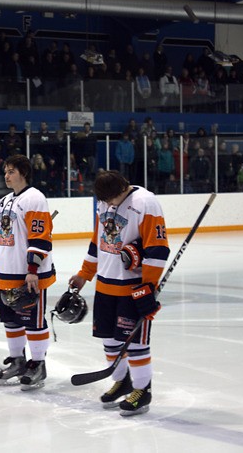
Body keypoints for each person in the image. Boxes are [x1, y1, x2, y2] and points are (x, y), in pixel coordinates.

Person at [69, 170, 170, 416]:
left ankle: (142, 390)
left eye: (110, 200)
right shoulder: (104, 203)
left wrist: (148, 286)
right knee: (110, 340)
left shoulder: (146, 203)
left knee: (134, 343)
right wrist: (85, 273)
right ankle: (122, 381)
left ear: (121, 190)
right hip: (105, 285)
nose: (107, 205)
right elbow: (98, 241)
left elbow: (158, 249)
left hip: (132, 289)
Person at [0, 154, 55, 390]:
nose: (6, 175)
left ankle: (38, 364)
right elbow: (2, 240)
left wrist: (32, 269)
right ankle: (18, 361)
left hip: (29, 275)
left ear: (23, 173)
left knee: (33, 321)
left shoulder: (35, 199)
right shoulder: (3, 202)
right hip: (7, 273)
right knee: (11, 321)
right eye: (5, 171)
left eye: (11, 171)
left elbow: (40, 237)